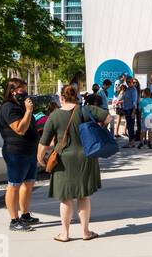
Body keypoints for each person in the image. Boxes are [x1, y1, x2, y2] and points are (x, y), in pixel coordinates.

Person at [37, 84, 109, 242]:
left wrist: (40, 158)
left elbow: (44, 142)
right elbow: (108, 117)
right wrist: (95, 129)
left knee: (65, 197)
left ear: (61, 98)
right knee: (83, 196)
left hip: (63, 159)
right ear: (76, 96)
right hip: (86, 157)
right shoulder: (86, 110)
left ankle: (65, 234)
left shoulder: (54, 116)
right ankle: (85, 232)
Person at [0, 78, 41, 231]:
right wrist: (29, 111)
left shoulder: (20, 106)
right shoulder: (9, 108)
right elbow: (19, 129)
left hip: (29, 151)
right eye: (22, 89)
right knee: (14, 186)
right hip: (16, 152)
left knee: (28, 184)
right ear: (13, 91)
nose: (25, 92)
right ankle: (14, 220)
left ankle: (25, 215)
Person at [121, 78, 140, 143]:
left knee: (131, 126)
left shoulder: (134, 90)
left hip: (131, 110)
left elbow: (134, 101)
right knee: (129, 126)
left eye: (130, 82)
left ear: (132, 82)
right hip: (126, 109)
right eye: (127, 82)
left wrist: (133, 112)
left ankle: (131, 142)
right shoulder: (128, 89)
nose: (128, 83)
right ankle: (130, 141)